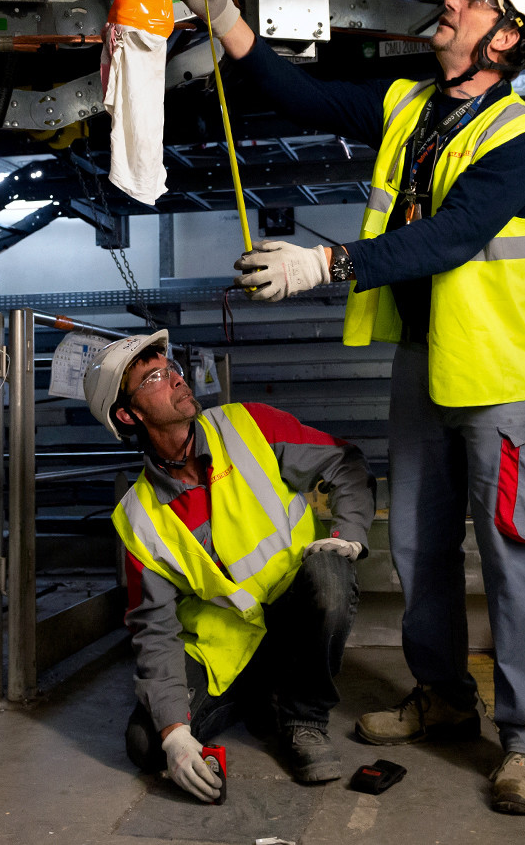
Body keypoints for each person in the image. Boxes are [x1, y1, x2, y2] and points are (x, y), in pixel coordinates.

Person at [178, 0, 525, 814]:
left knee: (510, 555)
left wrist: (327, 261)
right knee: (419, 549)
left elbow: (454, 235)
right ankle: (440, 696)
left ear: (506, 39)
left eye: (472, 0)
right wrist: (228, 23)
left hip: (496, 376)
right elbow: (305, 96)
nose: (452, 3)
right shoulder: (410, 106)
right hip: (425, 362)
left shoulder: (517, 142)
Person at [84, 330, 375, 801]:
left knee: (330, 576)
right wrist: (175, 733)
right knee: (146, 743)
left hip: (293, 610)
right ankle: (259, 693)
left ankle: (304, 718)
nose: (176, 378)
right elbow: (154, 630)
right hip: (226, 649)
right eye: (154, 376)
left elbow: (345, 462)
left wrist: (350, 536)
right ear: (128, 414)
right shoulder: (137, 517)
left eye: (171, 367)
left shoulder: (247, 426)